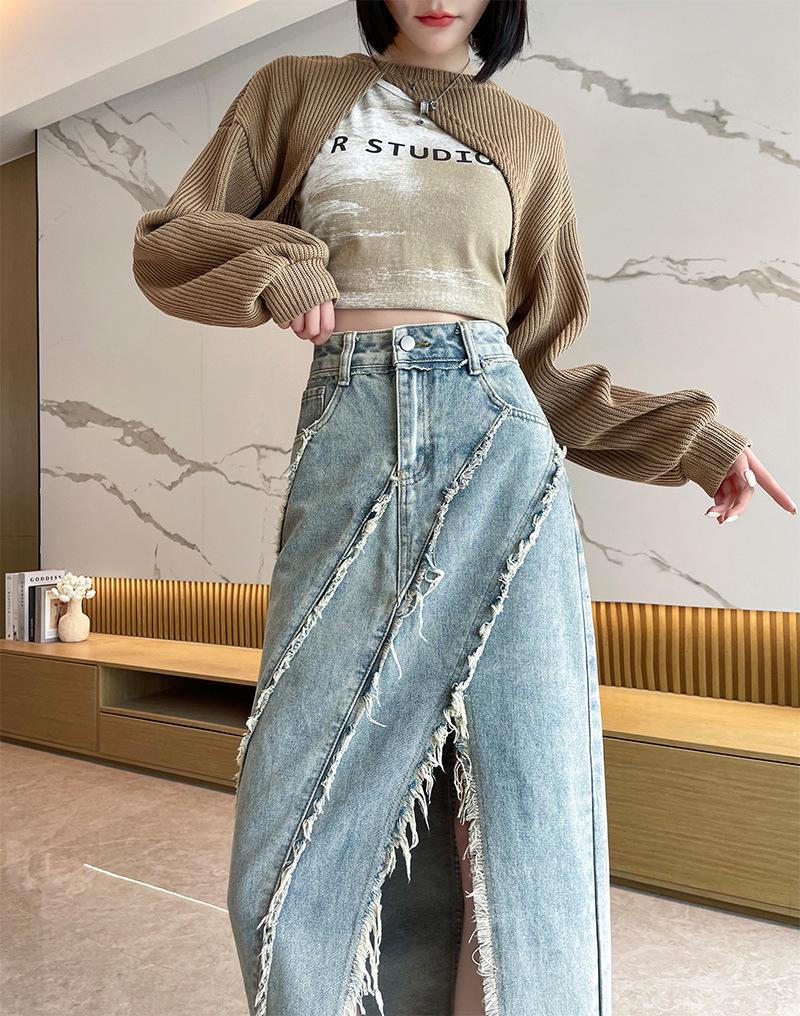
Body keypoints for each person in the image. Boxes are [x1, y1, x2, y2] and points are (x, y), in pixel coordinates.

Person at [131, 3, 795, 1014]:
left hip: (501, 450)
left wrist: (695, 442)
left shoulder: (527, 136)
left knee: (520, 801)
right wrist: (280, 264)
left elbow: (541, 364)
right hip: (353, 443)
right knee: (295, 815)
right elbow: (171, 240)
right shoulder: (298, 91)